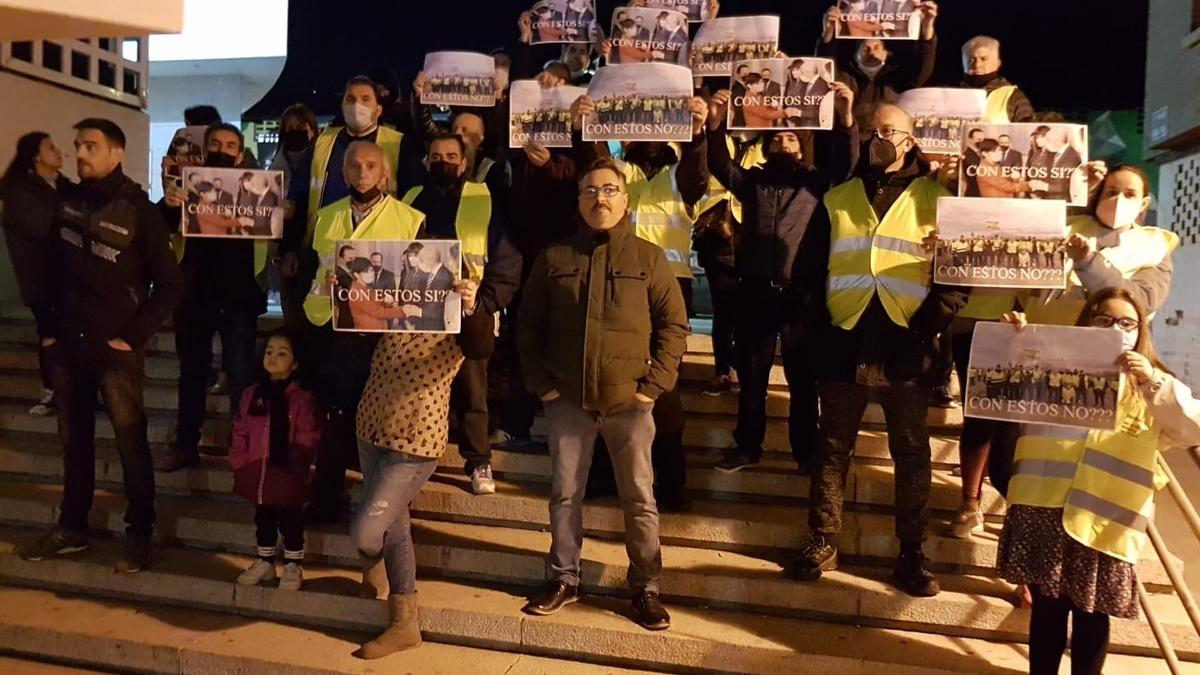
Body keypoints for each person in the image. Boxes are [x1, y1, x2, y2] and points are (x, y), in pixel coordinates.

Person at [794, 104, 969, 597]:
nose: (879, 138)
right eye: (872, 130)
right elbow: (807, 272)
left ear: (911, 140)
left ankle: (912, 554)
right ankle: (823, 540)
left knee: (911, 455)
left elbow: (958, 281)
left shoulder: (940, 197)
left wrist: (925, 329)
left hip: (906, 348)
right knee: (831, 450)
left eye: (889, 131)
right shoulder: (839, 196)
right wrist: (823, 326)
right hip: (843, 343)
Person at [517, 157, 689, 630]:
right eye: (590, 190)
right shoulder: (555, 257)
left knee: (639, 498)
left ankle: (646, 588)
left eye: (610, 189)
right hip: (568, 400)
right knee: (565, 495)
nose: (600, 198)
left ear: (625, 199)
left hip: (628, 402)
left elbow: (674, 325)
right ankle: (563, 578)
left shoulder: (649, 258)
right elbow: (528, 325)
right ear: (578, 200)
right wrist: (542, 384)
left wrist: (654, 386)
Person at [997, 288, 1200, 675]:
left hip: (1106, 521)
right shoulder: (1055, 369)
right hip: (1045, 507)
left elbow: (1193, 427)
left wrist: (1152, 381)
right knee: (1048, 612)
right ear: (1086, 322)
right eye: (1104, 320)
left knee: (1091, 616)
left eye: (1127, 323)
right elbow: (1008, 397)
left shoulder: (1154, 387)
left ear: (1141, 331)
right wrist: (1015, 347)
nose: (1115, 330)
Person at [19, 118, 182, 573]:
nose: (80, 153)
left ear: (116, 154)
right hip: (68, 347)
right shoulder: (64, 203)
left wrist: (131, 337)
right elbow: (44, 273)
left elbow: (169, 284)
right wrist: (47, 330)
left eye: (90, 145)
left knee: (131, 442)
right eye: (76, 146)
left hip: (115, 351)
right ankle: (73, 528)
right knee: (75, 443)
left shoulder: (138, 211)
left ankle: (140, 533)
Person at [704, 83, 859, 474]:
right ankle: (747, 447)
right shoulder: (752, 183)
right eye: (778, 138)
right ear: (768, 145)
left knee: (802, 381)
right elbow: (720, 166)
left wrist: (845, 119)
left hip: (801, 295)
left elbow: (846, 163)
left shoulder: (816, 182)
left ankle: (806, 453)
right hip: (756, 292)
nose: (785, 141)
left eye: (792, 136)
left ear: (802, 144)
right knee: (753, 378)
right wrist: (715, 126)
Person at [569, 92, 710, 511]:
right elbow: (591, 171)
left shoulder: (680, 174)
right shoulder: (620, 171)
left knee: (664, 390)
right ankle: (601, 475)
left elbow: (697, 175)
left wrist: (698, 132)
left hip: (668, 288)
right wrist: (583, 129)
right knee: (606, 380)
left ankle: (670, 483)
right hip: (615, 281)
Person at [351, 278, 483, 659]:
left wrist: (472, 305)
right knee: (395, 527)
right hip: (371, 425)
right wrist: (345, 294)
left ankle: (376, 569)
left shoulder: (457, 313)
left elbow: (480, 345)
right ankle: (404, 623)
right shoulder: (395, 303)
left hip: (415, 438)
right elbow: (356, 335)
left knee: (367, 530)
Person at [302, 141, 428, 524]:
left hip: (382, 334)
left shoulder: (411, 218)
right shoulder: (326, 216)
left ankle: (384, 508)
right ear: (342, 173)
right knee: (335, 417)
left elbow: (416, 281)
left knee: (383, 420)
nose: (362, 172)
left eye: (371, 165)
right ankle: (327, 499)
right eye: (354, 165)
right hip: (334, 329)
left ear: (385, 173)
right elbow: (313, 268)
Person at [401, 132, 521, 495]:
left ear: (465, 163)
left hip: (469, 309)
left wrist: (485, 301)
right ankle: (412, 460)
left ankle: (478, 461)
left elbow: (506, 258)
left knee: (473, 391)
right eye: (435, 156)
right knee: (417, 389)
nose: (443, 162)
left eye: (451, 156)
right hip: (418, 313)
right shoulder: (409, 199)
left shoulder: (485, 199)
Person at [156, 123, 267, 473]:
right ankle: (186, 444)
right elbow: (164, 224)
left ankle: (244, 445)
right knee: (192, 373)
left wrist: (284, 213)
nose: (223, 148)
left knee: (240, 373)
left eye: (230, 144)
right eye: (216, 143)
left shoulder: (259, 190)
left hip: (239, 297)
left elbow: (272, 228)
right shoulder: (185, 185)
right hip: (194, 294)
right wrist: (172, 203)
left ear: (239, 153)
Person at [229, 329, 323, 592]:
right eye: (269, 351)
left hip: (287, 470)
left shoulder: (302, 399)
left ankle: (293, 563)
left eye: (282, 353)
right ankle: (265, 559)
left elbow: (309, 433)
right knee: (264, 517)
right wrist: (239, 458)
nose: (273, 357)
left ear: (295, 362)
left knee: (290, 518)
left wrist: (299, 462)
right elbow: (241, 427)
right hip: (258, 469)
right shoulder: (253, 394)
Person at [0, 131, 70, 416]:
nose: (59, 152)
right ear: (37, 156)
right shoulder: (19, 190)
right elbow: (40, 227)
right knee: (50, 330)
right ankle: (52, 388)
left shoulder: (64, 187)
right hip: (40, 275)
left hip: (70, 274)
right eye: (51, 148)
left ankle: (71, 389)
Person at [818, 2, 938, 129]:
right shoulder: (845, 76)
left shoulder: (897, 78)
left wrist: (927, 31)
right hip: (851, 135)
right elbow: (825, 68)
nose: (872, 53)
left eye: (876, 47)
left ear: (886, 53)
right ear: (856, 54)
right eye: (865, 49)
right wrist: (828, 33)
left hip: (887, 139)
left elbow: (922, 69)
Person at [272, 103, 320, 326]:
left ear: (313, 129)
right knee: (291, 310)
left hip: (314, 243)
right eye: (288, 128)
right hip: (283, 247)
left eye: (299, 127)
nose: (293, 132)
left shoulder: (321, 161)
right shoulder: (275, 166)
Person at [961, 35, 1035, 123]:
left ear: (998, 63)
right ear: (963, 64)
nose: (977, 65)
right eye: (971, 59)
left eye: (983, 59)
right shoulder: (950, 95)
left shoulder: (1014, 97)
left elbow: (1028, 131)